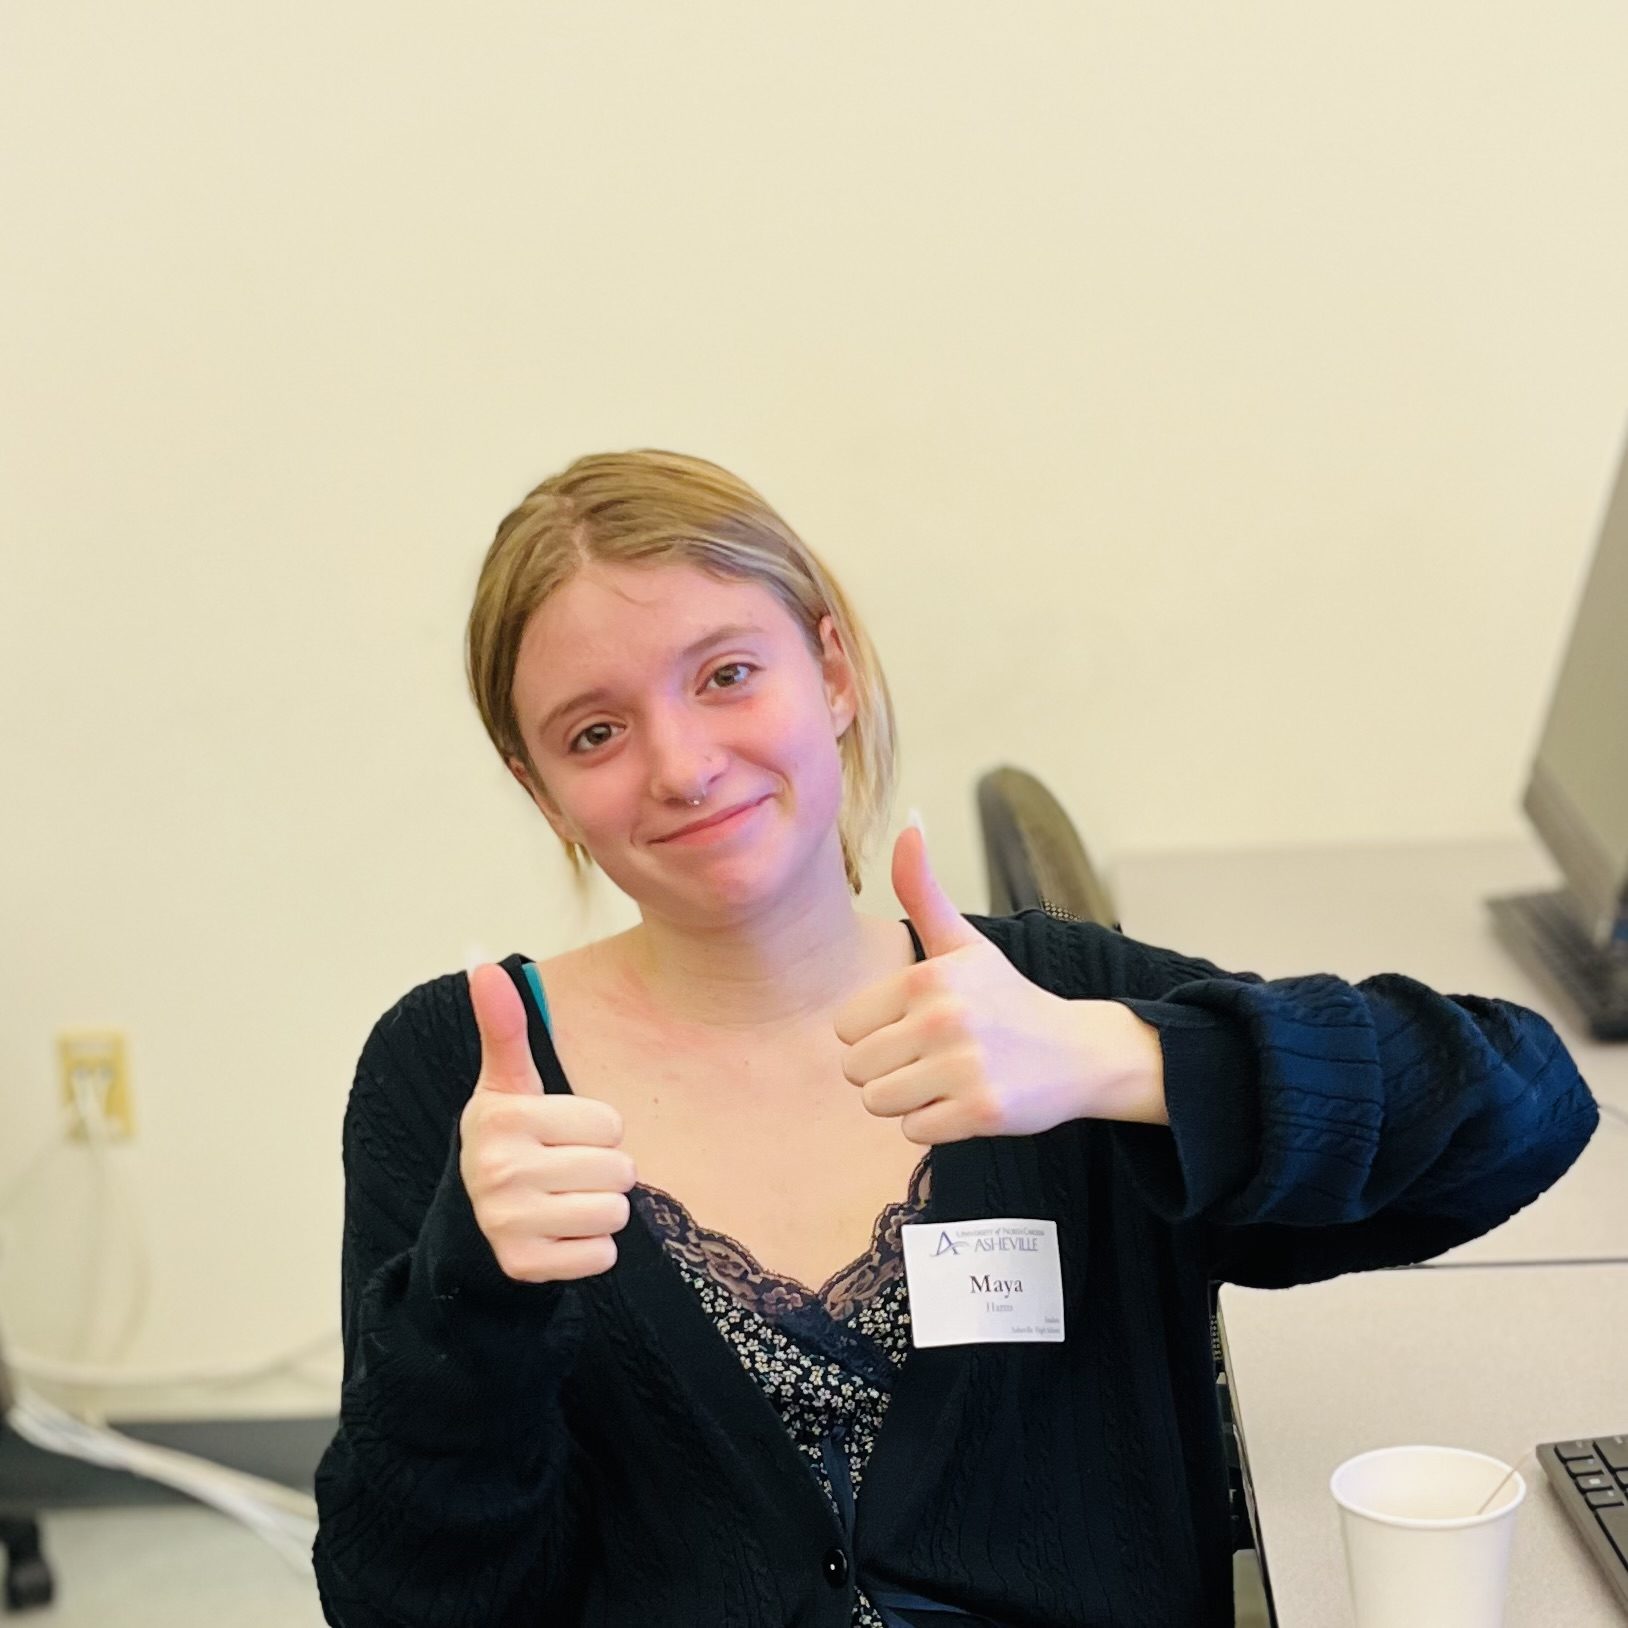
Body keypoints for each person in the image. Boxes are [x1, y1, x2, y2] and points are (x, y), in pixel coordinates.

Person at [311, 448, 1600, 1628]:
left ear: (833, 672)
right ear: (540, 788)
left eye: (727, 675)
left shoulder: (1038, 1009)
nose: (682, 764)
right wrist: (469, 1302)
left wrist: (1128, 1062)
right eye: (595, 732)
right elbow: (406, 1605)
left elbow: (1526, 1105)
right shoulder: (463, 1085)